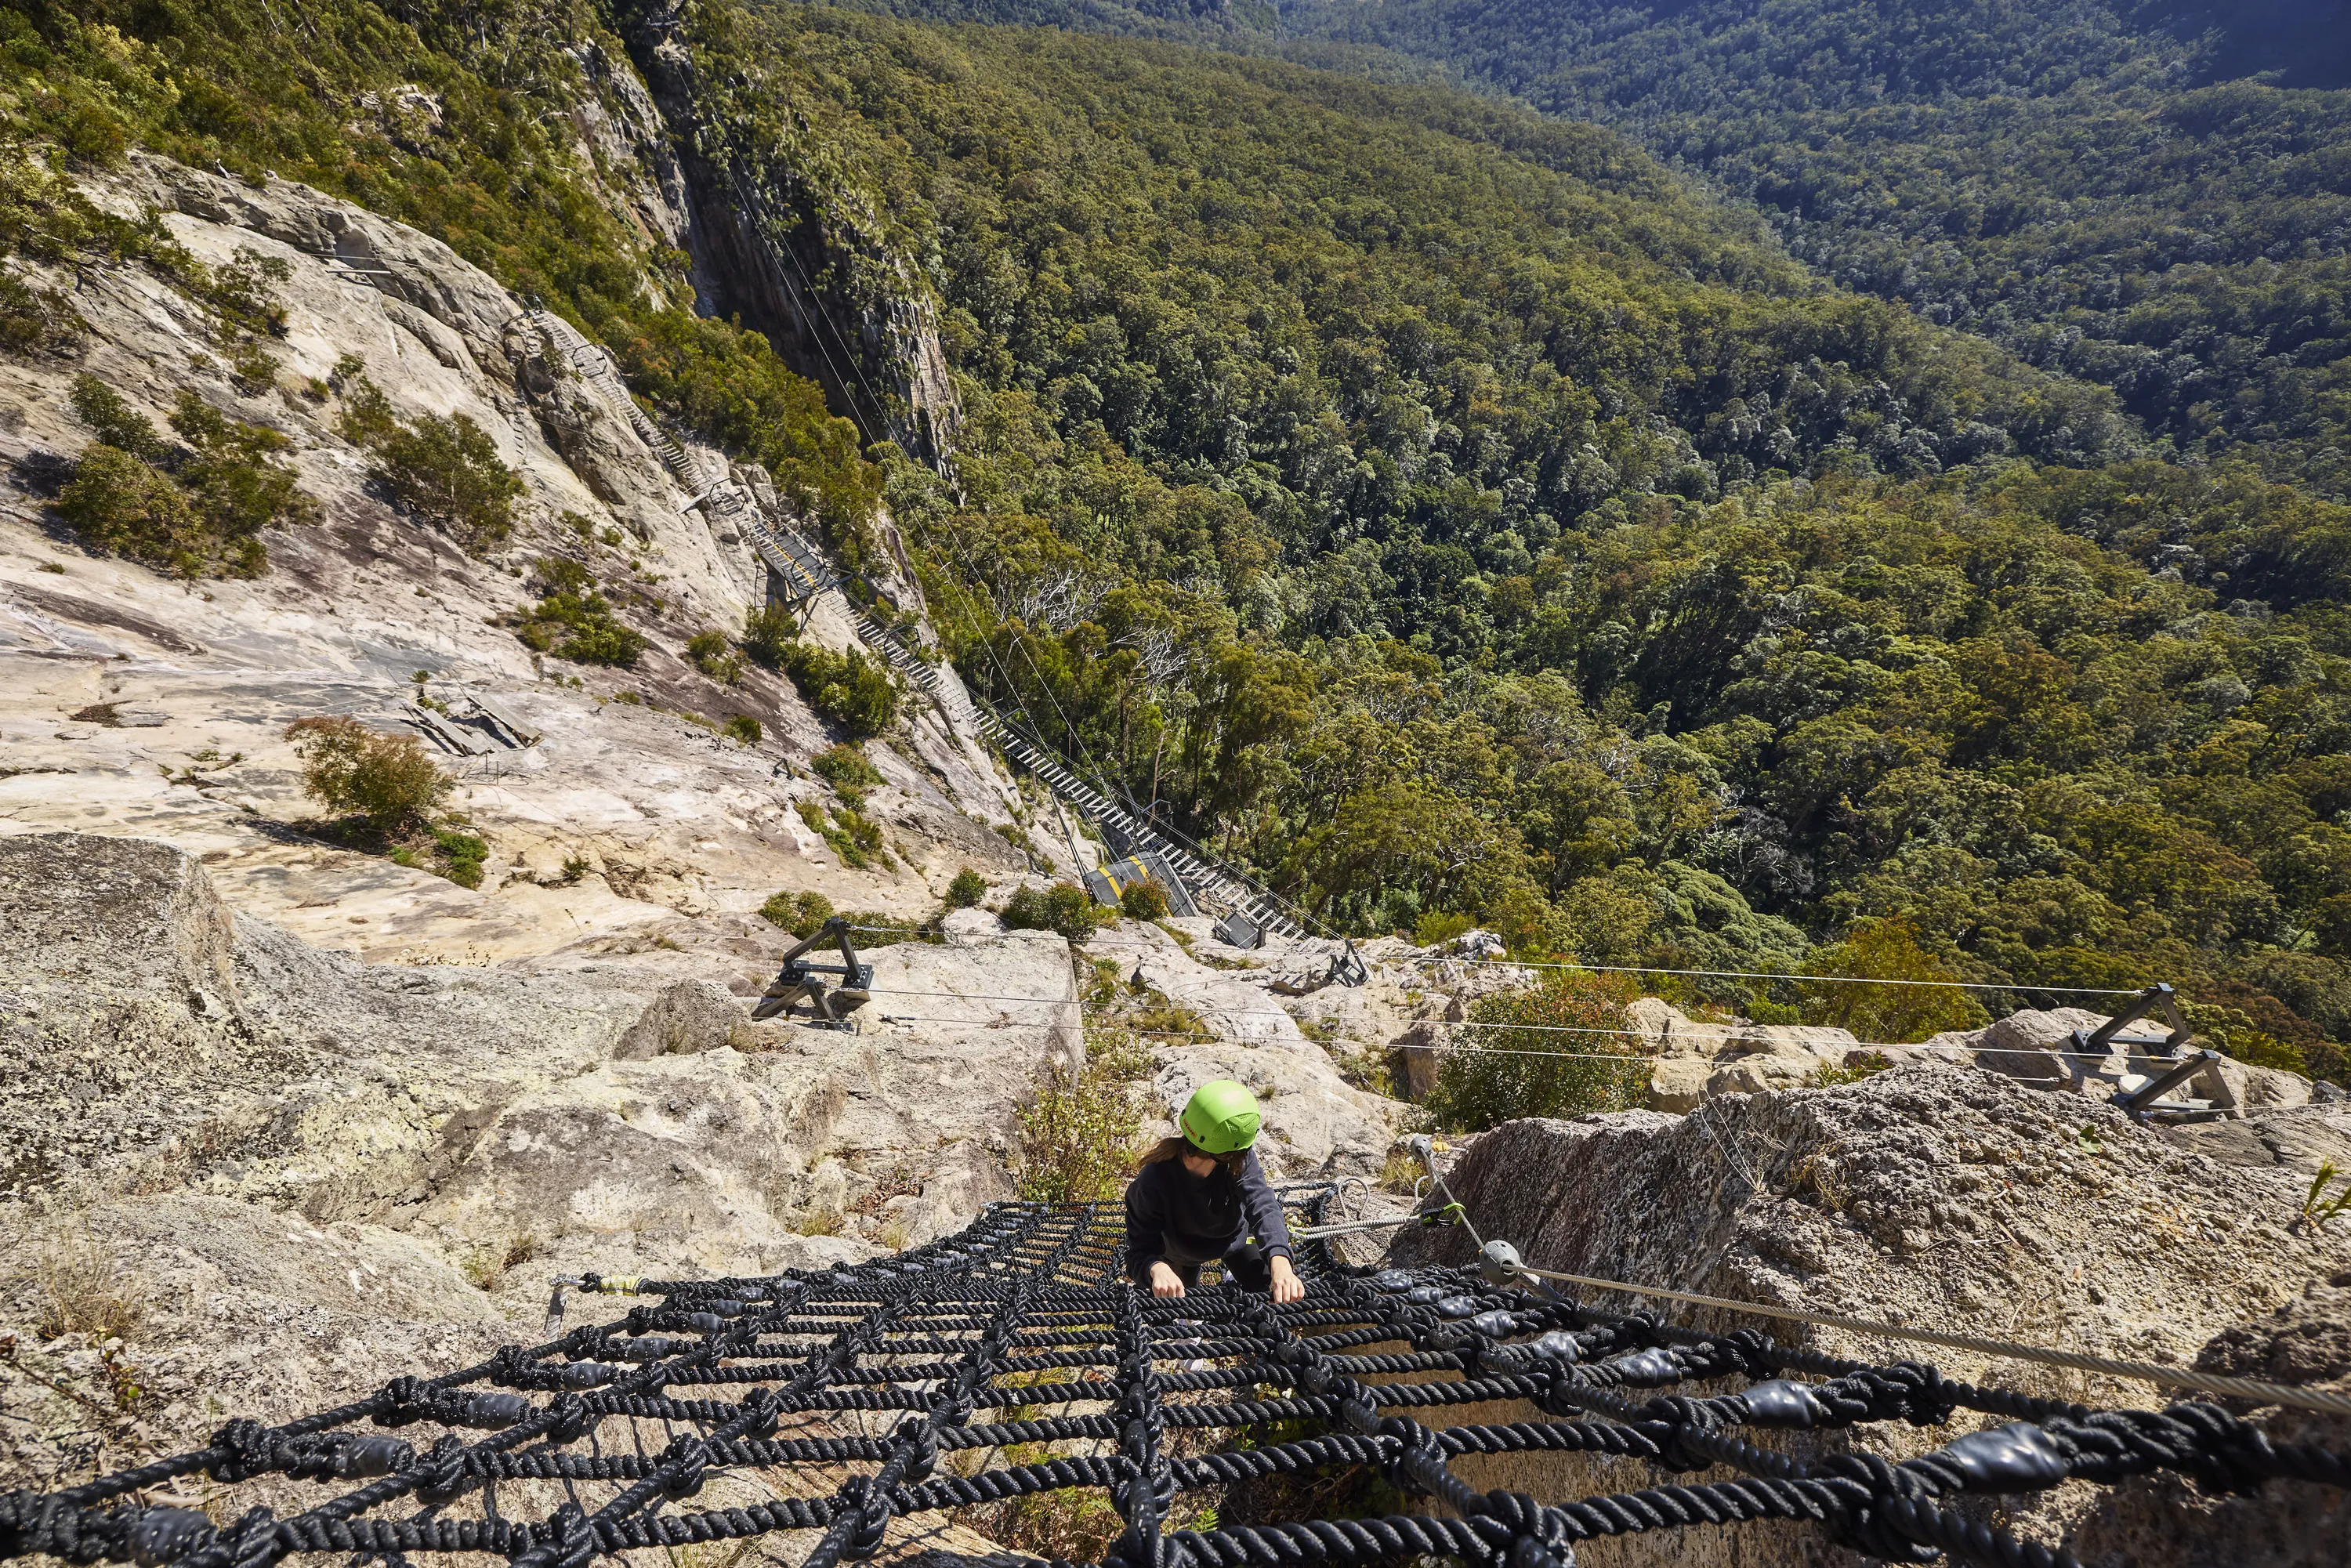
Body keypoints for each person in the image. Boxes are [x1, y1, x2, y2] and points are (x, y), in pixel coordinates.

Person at [1125, 1080, 1305, 1303]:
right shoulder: (1153, 1181)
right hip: (1181, 1253)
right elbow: (1139, 1250)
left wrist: (1280, 1261)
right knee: (1180, 1308)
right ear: (1227, 1152)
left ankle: (1233, 1277)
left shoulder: (1239, 1161)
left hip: (1233, 1241)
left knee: (1269, 1291)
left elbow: (1263, 1203)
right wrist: (1157, 1268)